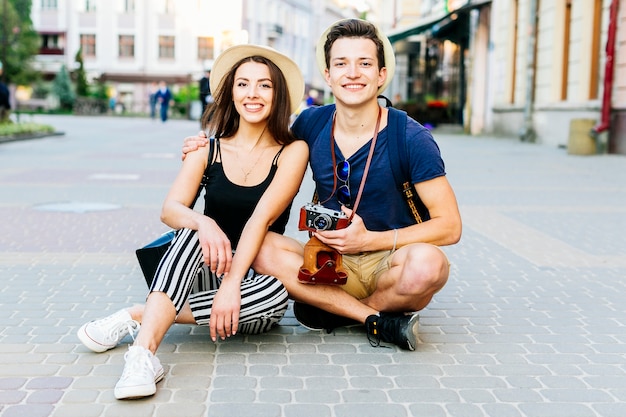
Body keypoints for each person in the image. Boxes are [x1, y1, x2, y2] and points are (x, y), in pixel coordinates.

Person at [183, 19, 462, 351]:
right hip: (327, 261)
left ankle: (335, 310)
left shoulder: (411, 138)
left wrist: (369, 240)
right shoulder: (310, 123)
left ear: (381, 75)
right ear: (328, 75)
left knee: (429, 266)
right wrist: (206, 146)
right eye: (341, 63)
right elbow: (256, 144)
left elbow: (450, 226)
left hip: (389, 258)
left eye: (365, 64)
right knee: (260, 246)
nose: (353, 73)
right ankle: (374, 319)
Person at [77, 44, 307, 400]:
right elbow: (170, 208)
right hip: (199, 267)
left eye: (264, 85)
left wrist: (232, 284)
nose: (253, 94)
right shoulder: (205, 148)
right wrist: (205, 223)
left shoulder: (292, 152)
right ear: (231, 92)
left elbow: (261, 220)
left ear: (277, 95)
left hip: (251, 284)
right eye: (243, 84)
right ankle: (143, 356)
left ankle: (139, 314)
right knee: (188, 233)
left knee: (277, 293)